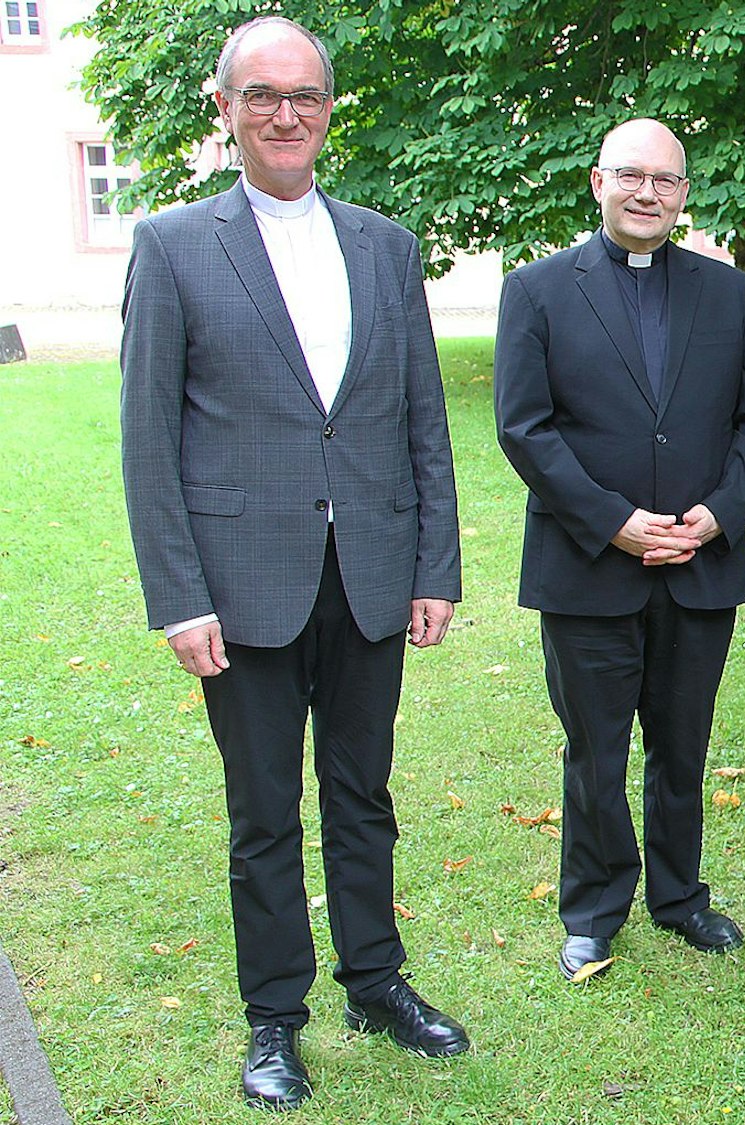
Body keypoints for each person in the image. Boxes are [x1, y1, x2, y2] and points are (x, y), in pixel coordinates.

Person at [118, 16, 467, 1110]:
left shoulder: (384, 245)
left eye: (305, 96)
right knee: (264, 813)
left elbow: (421, 421)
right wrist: (177, 597)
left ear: (327, 111)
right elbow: (148, 442)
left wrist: (435, 566)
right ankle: (275, 1018)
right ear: (224, 109)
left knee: (363, 795)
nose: (284, 115)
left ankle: (376, 982)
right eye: (261, 96)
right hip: (241, 588)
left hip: (367, 571)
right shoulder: (172, 245)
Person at [494, 119, 745, 984]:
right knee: (595, 750)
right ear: (597, 182)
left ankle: (681, 896)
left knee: (683, 745)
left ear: (684, 194)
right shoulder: (538, 290)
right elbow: (524, 428)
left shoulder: (729, 295)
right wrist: (613, 519)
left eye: (665, 179)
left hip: (700, 564)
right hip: (587, 565)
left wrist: (717, 515)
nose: (647, 192)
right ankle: (592, 909)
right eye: (631, 175)